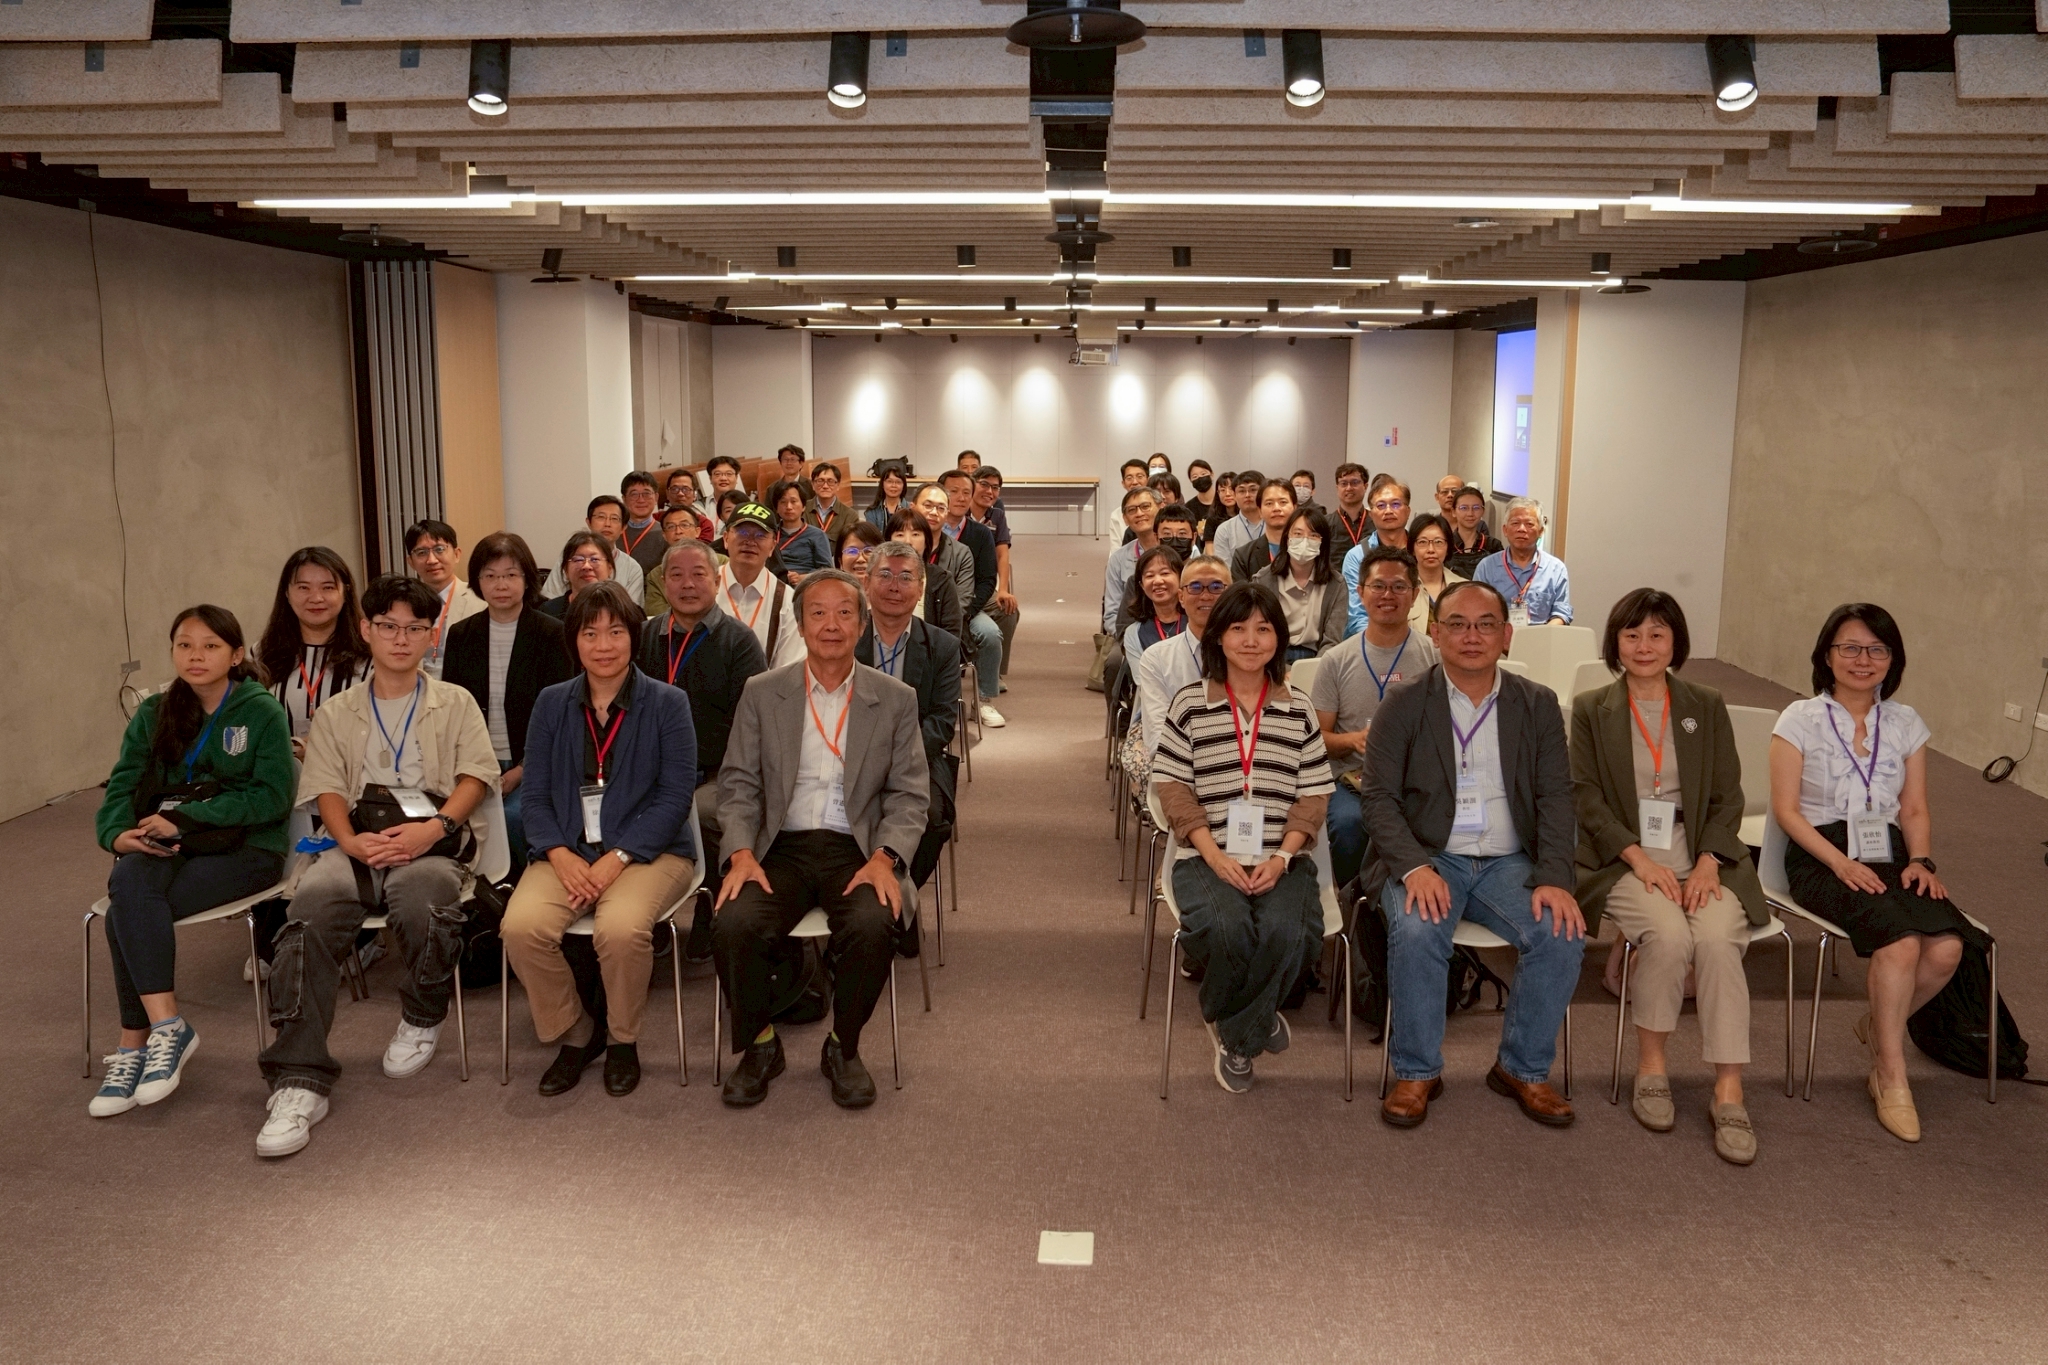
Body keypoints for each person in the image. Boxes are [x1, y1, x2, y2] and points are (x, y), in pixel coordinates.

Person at [255, 575, 498, 1158]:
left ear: (430, 634)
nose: (400, 638)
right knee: (308, 912)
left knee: (422, 901)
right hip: (354, 845)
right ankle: (298, 1078)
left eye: (415, 627)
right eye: (386, 625)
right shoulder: (337, 711)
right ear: (365, 630)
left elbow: (476, 778)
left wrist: (432, 830)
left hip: (430, 843)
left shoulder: (455, 700)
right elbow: (326, 789)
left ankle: (421, 1011)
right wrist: (351, 841)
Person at [1361, 579, 1582, 1130]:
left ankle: (1522, 1069)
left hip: (1510, 861)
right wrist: (1413, 868)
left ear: (1507, 636)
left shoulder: (1538, 705)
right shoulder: (1405, 703)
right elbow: (1378, 798)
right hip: (1432, 856)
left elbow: (1557, 796)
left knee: (1560, 930)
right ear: (1434, 633)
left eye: (1486, 624)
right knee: (1416, 928)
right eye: (1457, 623)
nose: (1471, 636)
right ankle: (1416, 1071)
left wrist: (1555, 875)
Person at [713, 570, 928, 1110]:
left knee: (875, 920)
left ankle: (843, 1046)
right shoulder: (763, 693)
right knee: (733, 919)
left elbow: (909, 795)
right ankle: (760, 1044)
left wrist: (886, 858)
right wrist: (739, 853)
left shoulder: (895, 698)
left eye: (844, 613)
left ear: (861, 623)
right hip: (776, 846)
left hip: (856, 848)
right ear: (800, 623)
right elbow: (737, 782)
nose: (831, 624)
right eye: (818, 613)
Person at [1570, 589, 1767, 1163]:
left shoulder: (1704, 703)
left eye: (1657, 634)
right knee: (1669, 935)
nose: (1644, 646)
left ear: (1676, 641)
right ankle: (1651, 1066)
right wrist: (1638, 858)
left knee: (1716, 939)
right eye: (1632, 635)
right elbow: (1584, 798)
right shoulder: (1591, 708)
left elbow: (1730, 796)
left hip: (1704, 852)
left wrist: (1709, 861)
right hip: (1626, 856)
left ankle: (1728, 1088)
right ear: (1615, 643)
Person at [1769, 603, 1977, 1144]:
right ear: (1827, 655)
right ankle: (1890, 1075)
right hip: (1820, 852)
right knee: (1902, 944)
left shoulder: (1906, 722)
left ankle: (1883, 1019)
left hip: (1889, 849)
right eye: (1850, 648)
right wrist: (1837, 862)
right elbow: (1786, 811)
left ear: (1893, 658)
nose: (1863, 660)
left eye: (1877, 649)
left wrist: (1921, 860)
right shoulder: (1800, 718)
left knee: (1949, 946)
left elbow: (1913, 809)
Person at [90, 606, 294, 1118]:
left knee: (125, 910)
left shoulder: (261, 710)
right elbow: (123, 783)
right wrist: (117, 835)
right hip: (166, 841)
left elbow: (271, 797)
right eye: (185, 645)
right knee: (130, 878)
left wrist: (187, 818)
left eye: (210, 645)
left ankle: (136, 1042)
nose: (196, 655)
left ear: (236, 654)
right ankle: (166, 1030)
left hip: (248, 849)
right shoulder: (155, 710)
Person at [500, 581, 698, 1098]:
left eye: (615, 632)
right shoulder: (550, 704)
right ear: (575, 641)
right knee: (520, 928)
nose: (604, 644)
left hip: (650, 852)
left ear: (634, 637)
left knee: (622, 928)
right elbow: (536, 794)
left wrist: (618, 856)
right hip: (567, 849)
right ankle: (577, 1033)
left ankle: (622, 1039)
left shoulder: (668, 703)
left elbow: (675, 797)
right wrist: (560, 854)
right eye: (590, 633)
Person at [1150, 581, 1333, 1093]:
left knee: (1291, 933)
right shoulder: (1190, 703)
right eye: (1237, 629)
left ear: (1279, 638)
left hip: (1282, 857)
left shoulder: (1298, 709)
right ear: (1218, 639)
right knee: (1226, 930)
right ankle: (1254, 1023)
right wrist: (1213, 855)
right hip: (1204, 857)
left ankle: (1234, 1028)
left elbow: (1314, 796)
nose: (1251, 640)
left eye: (1263, 629)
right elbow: (1174, 789)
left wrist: (1280, 857)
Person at [636, 539, 768, 960]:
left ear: (716, 581)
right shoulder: (645, 636)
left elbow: (749, 725)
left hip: (715, 773)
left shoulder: (738, 641)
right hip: (650, 771)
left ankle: (712, 905)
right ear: (663, 581)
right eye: (677, 574)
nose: (688, 584)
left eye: (699, 575)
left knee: (705, 812)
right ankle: (650, 912)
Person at [444, 531, 574, 872]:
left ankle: (519, 891)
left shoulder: (550, 633)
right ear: (478, 581)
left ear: (527, 579)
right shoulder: (461, 634)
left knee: (513, 818)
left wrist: (521, 770)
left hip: (530, 763)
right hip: (473, 764)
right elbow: (451, 712)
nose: (500, 584)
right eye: (490, 575)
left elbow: (560, 716)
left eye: (510, 575)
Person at [1312, 547, 1438, 889]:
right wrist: (1352, 740)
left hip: (1415, 782)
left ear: (1414, 594)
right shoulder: (1336, 660)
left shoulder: (1433, 658)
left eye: (1399, 587)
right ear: (1360, 592)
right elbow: (1317, 739)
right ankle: (1354, 904)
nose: (1388, 595)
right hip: (1353, 781)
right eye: (1378, 586)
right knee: (1350, 825)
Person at [857, 542, 963, 887]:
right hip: (847, 755)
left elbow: (942, 722)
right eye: (884, 575)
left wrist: (895, 756)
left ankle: (900, 901)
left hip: (917, 758)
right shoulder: (844, 638)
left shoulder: (942, 646)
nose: (894, 586)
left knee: (932, 820)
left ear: (920, 589)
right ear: (866, 583)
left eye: (906, 578)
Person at [257, 546, 371, 758]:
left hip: (350, 773)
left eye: (328, 588)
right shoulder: (261, 654)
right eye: (303, 588)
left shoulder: (370, 656)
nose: (316, 598)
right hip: (282, 772)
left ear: (345, 592)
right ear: (287, 593)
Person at [1136, 555, 1232, 763]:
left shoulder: (1248, 652)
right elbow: (1158, 736)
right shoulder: (1157, 658)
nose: (1206, 596)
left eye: (1216, 587)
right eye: (1195, 587)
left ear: (1231, 594)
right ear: (1181, 597)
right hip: (1179, 766)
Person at [937, 469, 1007, 726]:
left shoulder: (981, 533)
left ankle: (984, 700)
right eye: (953, 491)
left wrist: (964, 611)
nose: (960, 497)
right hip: (928, 608)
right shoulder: (925, 530)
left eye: (966, 492)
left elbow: (988, 580)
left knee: (989, 635)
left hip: (969, 608)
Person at [718, 501, 806, 669]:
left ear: (773, 546)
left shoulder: (788, 600)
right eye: (742, 532)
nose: (750, 541)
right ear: (726, 538)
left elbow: (789, 669)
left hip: (763, 693)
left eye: (760, 535)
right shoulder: (704, 587)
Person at [1253, 505, 1346, 659]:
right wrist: (1280, 669)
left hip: (1318, 659)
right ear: (1287, 538)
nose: (1305, 541)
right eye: (1297, 534)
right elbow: (1258, 632)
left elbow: (1333, 641)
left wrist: (1313, 670)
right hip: (1273, 658)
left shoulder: (1336, 584)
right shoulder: (1263, 580)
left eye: (1313, 535)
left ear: (1323, 542)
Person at [911, 482, 984, 675]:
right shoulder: (893, 549)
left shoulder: (961, 553)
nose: (934, 512)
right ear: (912, 507)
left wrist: (927, 633)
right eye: (927, 505)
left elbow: (962, 602)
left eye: (941, 508)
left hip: (942, 632)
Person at [402, 519, 486, 679]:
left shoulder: (480, 600)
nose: (432, 560)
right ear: (410, 562)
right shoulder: (403, 605)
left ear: (456, 554)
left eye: (439, 549)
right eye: (421, 553)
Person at [1473, 496, 1572, 627]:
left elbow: (1562, 613)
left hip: (1541, 639)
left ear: (1541, 531)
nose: (1522, 529)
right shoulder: (1486, 567)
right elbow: (1475, 609)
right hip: (1497, 639)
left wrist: (1543, 636)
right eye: (1515, 523)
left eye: (1529, 524)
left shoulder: (1556, 568)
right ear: (1505, 530)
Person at [541, 497, 646, 605]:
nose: (607, 524)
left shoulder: (632, 568)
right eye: (601, 517)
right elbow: (550, 597)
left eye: (614, 519)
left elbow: (633, 612)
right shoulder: (571, 557)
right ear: (589, 522)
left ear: (623, 527)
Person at [970, 465, 1021, 680]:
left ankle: (995, 673)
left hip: (984, 586)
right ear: (972, 485)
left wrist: (1003, 590)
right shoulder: (959, 513)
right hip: (960, 586)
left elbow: (1003, 555)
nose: (989, 491)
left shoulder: (997, 516)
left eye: (996, 487)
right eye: (984, 485)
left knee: (1009, 609)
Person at [539, 531, 622, 622]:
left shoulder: (624, 611)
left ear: (609, 568)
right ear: (566, 570)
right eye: (578, 560)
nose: (586, 566)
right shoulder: (547, 613)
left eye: (594, 559)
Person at [1407, 514, 1466, 635]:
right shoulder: (1401, 588)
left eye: (1438, 542)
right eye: (1422, 542)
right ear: (1412, 548)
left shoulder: (1464, 588)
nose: (1431, 549)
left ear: (1448, 546)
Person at [1230, 480, 1299, 583]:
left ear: (1295, 508)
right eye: (1269, 503)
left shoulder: (1308, 549)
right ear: (1260, 511)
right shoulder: (1243, 556)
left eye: (1283, 502)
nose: (1276, 508)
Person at [767, 477, 833, 585]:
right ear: (777, 508)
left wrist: (803, 578)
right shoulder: (770, 534)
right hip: (773, 583)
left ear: (803, 507)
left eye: (793, 501)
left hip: (805, 586)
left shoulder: (817, 535)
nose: (788, 507)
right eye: (783, 502)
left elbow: (828, 571)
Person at [617, 471, 670, 582]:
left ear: (656, 497)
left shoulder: (665, 534)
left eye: (646, 494)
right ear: (624, 499)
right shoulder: (614, 533)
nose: (641, 500)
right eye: (634, 494)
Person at [1210, 469, 1267, 564]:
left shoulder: (1275, 524)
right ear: (1235, 495)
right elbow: (1224, 569)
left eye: (1253, 490)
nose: (1247, 495)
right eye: (1242, 491)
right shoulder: (1224, 530)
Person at [1445, 484, 1500, 580]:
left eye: (1476, 508)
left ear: (1483, 511)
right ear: (1453, 511)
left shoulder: (1493, 545)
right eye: (1464, 508)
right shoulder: (1445, 544)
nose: (1470, 513)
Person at [1327, 463, 1373, 566]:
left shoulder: (1376, 521)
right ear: (1337, 488)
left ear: (1365, 486)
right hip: (1335, 580)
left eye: (1354, 482)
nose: (1349, 488)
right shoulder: (1325, 524)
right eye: (1343, 483)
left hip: (1370, 580)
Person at [806, 462, 861, 543]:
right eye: (820, 481)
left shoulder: (849, 515)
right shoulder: (802, 509)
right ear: (813, 484)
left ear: (838, 485)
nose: (825, 486)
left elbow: (850, 545)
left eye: (830, 481)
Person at [1110, 458, 1151, 543]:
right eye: (1129, 478)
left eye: (1140, 477)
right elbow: (1116, 550)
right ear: (1123, 483)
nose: (1135, 482)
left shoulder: (1156, 508)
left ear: (1148, 480)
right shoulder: (1116, 515)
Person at [864, 462, 913, 533]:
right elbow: (871, 538)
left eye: (898, 482)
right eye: (889, 481)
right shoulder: (872, 512)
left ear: (903, 486)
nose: (894, 485)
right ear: (882, 485)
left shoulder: (911, 509)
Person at [1184, 459, 1221, 545]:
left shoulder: (1222, 502)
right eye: (1195, 477)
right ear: (1191, 481)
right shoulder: (1188, 508)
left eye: (1203, 474)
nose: (1200, 478)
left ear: (1212, 475)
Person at [704, 456, 742, 536]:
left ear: (737, 478)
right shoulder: (701, 506)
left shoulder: (746, 505)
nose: (723, 478)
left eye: (729, 474)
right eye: (717, 474)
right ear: (710, 478)